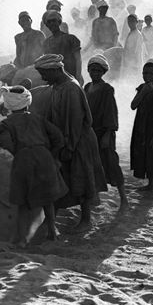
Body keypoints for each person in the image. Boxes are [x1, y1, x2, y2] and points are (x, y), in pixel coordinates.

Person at [34, 53, 106, 232]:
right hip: (66, 140)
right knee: (62, 178)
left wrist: (69, 146)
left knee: (83, 177)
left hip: (79, 140)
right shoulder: (57, 85)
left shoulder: (71, 89)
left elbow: (74, 122)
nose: (42, 77)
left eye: (44, 73)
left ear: (55, 70)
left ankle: (86, 219)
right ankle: (50, 220)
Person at [0, 85, 68, 245]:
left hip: (23, 159)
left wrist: (19, 151)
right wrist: (51, 154)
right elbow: (58, 138)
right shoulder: (38, 118)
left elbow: (5, 142)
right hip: (44, 157)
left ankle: (21, 239)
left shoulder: (6, 124)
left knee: (23, 201)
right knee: (47, 198)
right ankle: (52, 232)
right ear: (27, 104)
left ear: (9, 106)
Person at [83, 55, 129, 211]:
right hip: (91, 132)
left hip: (104, 132)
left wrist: (108, 134)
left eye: (98, 70)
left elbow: (111, 112)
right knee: (93, 163)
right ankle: (95, 196)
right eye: (92, 70)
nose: (94, 72)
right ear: (88, 70)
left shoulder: (107, 89)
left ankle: (124, 198)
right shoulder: (87, 87)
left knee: (110, 163)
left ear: (103, 72)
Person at [130, 59, 153, 192]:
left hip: (152, 129)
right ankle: (150, 185)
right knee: (142, 154)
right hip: (141, 127)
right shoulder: (142, 88)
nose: (148, 76)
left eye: (151, 74)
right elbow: (133, 105)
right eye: (145, 73)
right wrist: (143, 92)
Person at [42, 10, 84, 85]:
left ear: (59, 22)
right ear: (47, 25)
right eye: (49, 22)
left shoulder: (71, 39)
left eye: (54, 21)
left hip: (71, 77)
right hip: (55, 80)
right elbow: (48, 63)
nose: (52, 23)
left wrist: (78, 76)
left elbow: (78, 59)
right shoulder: (46, 43)